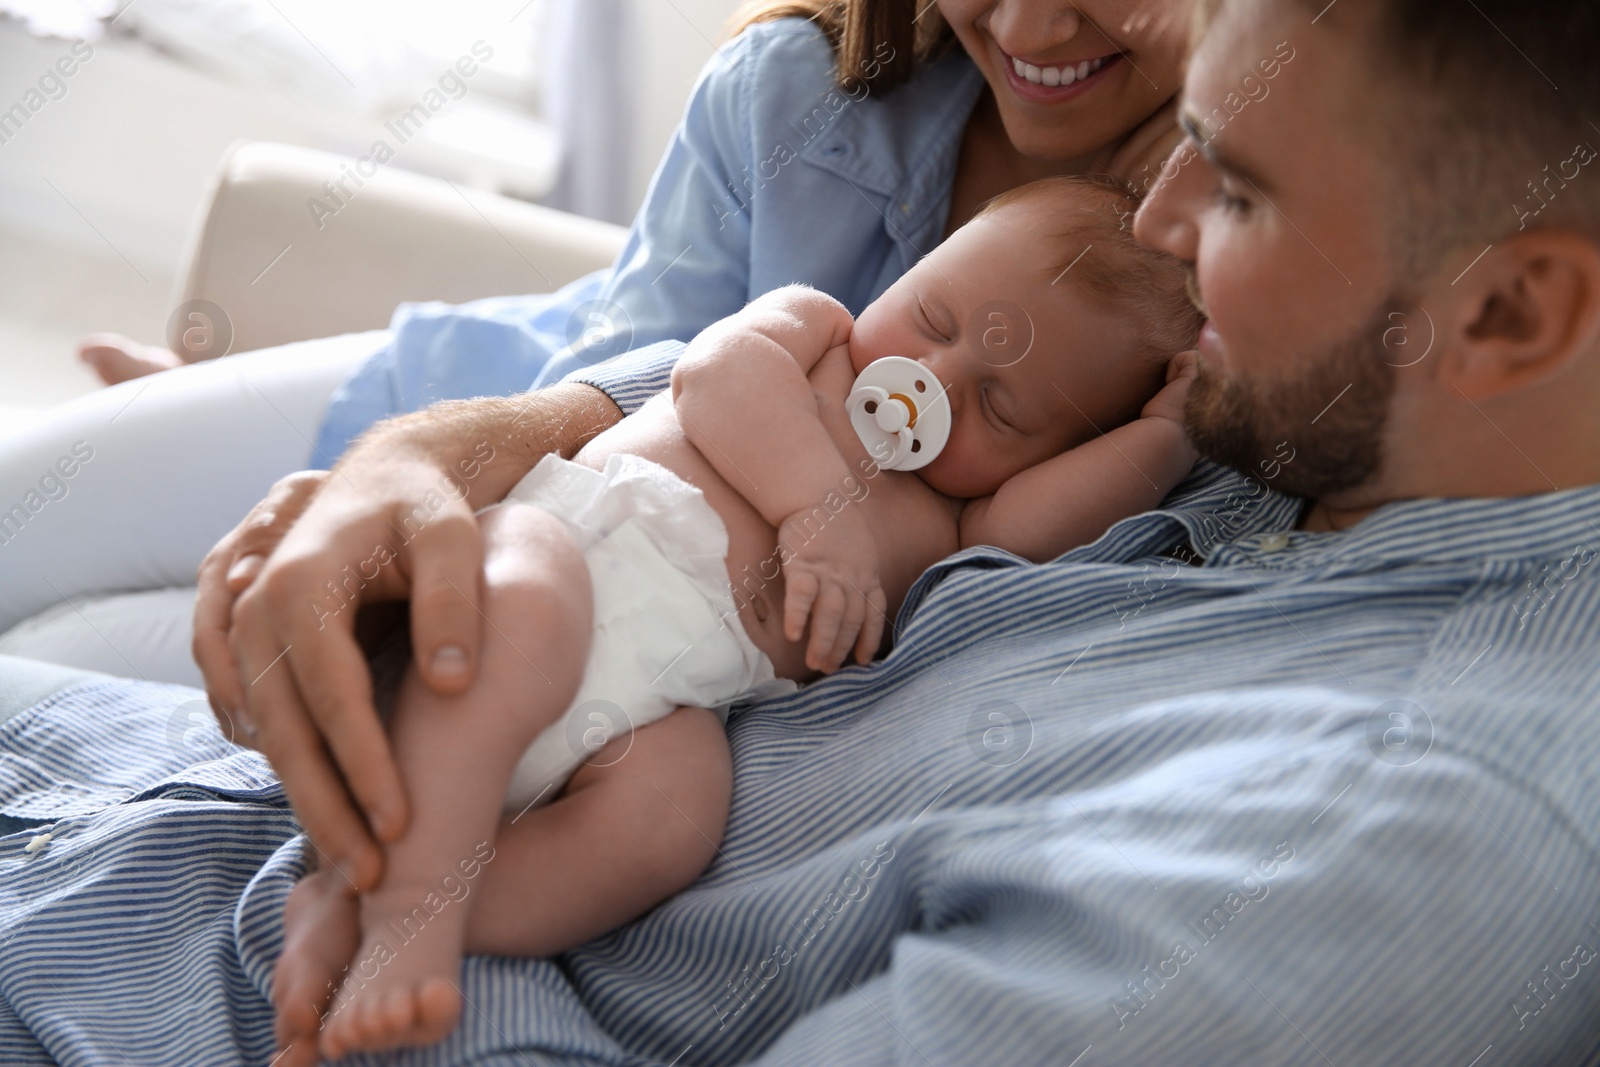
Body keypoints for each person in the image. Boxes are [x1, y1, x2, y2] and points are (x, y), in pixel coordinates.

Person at [4, 0, 1599, 1062]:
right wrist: (416, 460)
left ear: (1515, 309)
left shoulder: (1389, 835)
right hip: (144, 807)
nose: (1162, 224)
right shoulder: (1318, 407)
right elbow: (690, 384)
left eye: (1236, 192)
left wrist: (405, 899)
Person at [275, 175, 1201, 1061]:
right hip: (559, 555)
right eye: (934, 316)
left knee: (671, 821)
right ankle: (412, 911)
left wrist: (1168, 436)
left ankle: (365, 904)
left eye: (1000, 407)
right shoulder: (816, 334)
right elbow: (711, 375)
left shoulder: (957, 522)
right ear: (914, 270)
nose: (932, 379)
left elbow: (1045, 526)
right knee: (534, 596)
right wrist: (809, 502)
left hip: (652, 710)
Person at [0, 0, 1188, 685]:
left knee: (64, 652)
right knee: (28, 515)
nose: (1032, 23)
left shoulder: (1233, 305)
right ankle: (214, 391)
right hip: (481, 406)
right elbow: (620, 370)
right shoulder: (796, 94)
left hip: (566, 610)